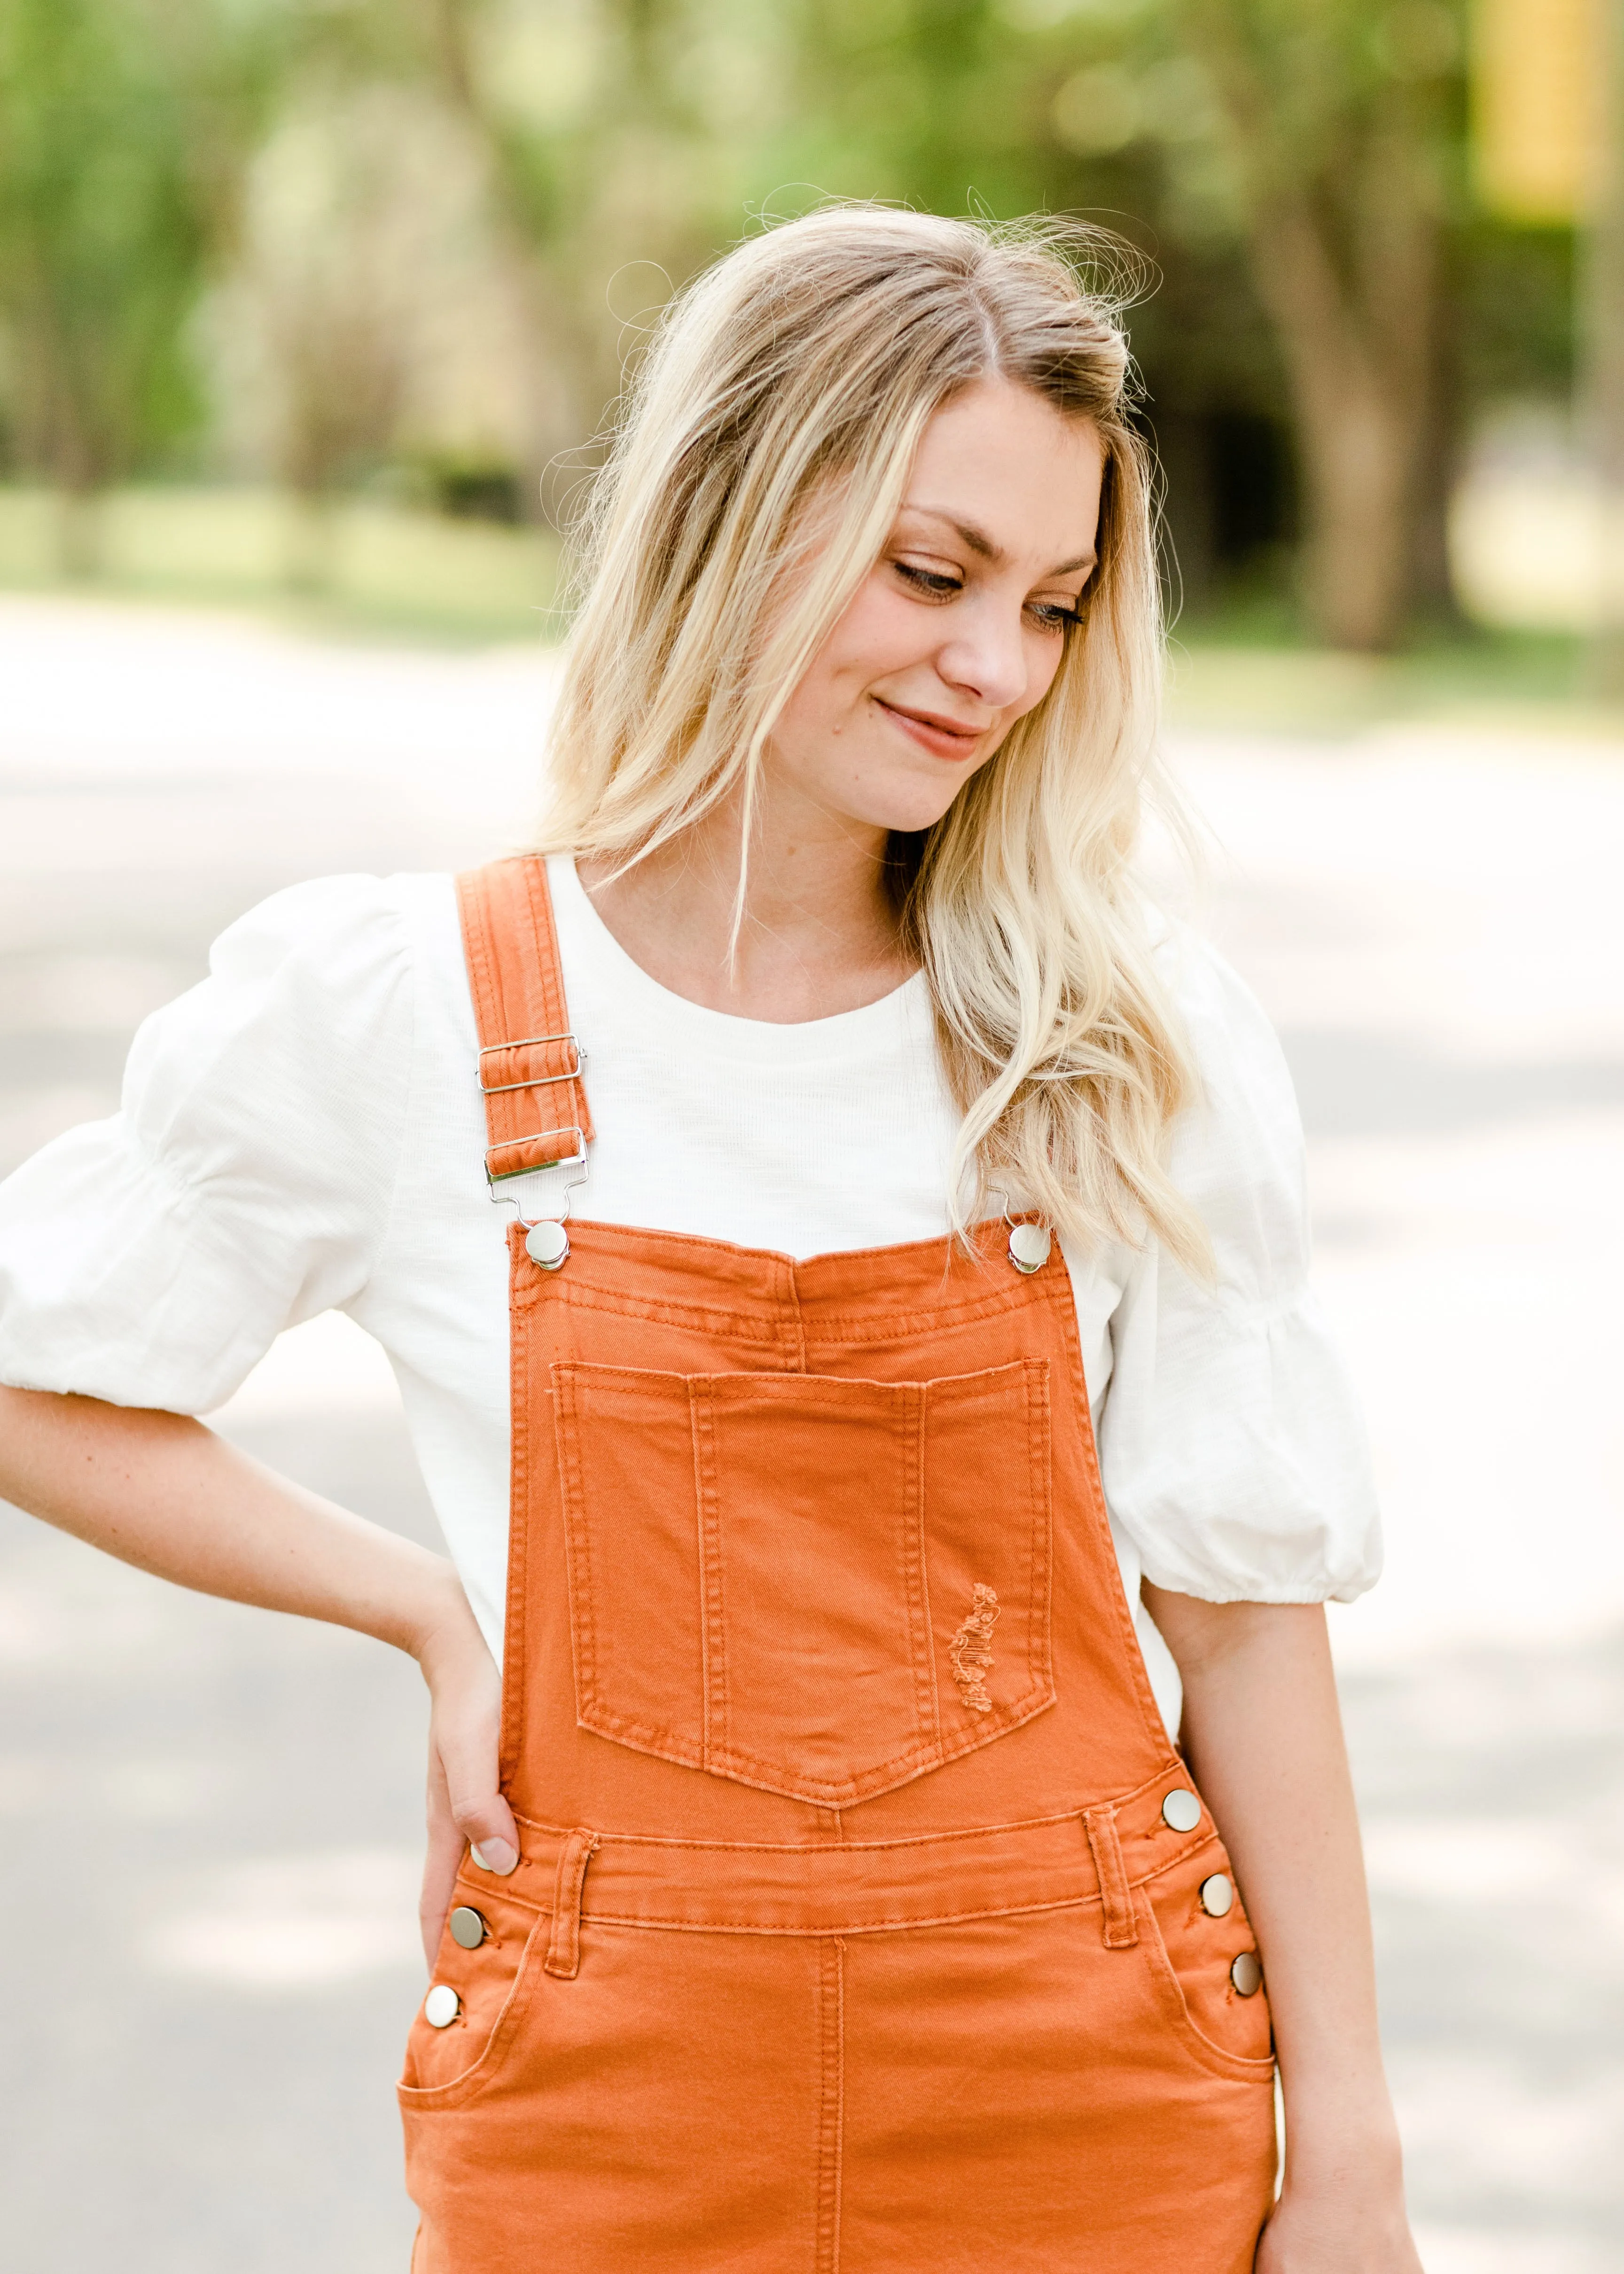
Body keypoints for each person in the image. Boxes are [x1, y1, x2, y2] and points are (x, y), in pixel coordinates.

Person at [0, 206, 1421, 2272]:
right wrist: (423, 1610)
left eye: (1049, 604)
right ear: (725, 506)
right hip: (605, 2126)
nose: (989, 669)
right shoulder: (401, 1004)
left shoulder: (1105, 1036)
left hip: (1098, 2104)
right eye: (931, 574)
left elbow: (1240, 1619)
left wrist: (1353, 2161)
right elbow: (40, 1372)